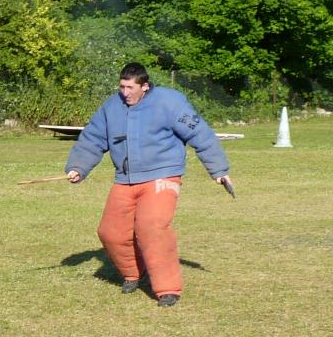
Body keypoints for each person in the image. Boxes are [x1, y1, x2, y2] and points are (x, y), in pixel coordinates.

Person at [64, 62, 232, 307]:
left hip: (162, 175)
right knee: (110, 232)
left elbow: (200, 133)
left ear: (145, 86)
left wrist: (218, 170)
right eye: (122, 87)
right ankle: (134, 273)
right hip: (126, 179)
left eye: (130, 88)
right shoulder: (112, 107)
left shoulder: (170, 102)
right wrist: (79, 167)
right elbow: (93, 138)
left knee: (151, 227)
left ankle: (167, 289)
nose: (125, 93)